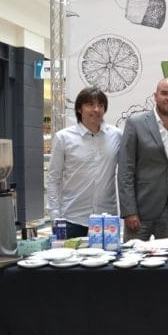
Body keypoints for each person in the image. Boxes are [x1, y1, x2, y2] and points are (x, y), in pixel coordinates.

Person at [118, 78, 168, 241]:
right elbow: (126, 170)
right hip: (140, 211)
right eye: (164, 93)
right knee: (133, 261)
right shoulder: (136, 123)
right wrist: (129, 210)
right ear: (155, 96)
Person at [47, 87, 121, 238]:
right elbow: (53, 178)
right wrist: (55, 214)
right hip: (72, 219)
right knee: (71, 261)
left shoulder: (117, 136)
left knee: (109, 261)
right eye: (90, 105)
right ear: (79, 109)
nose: (96, 109)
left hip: (107, 220)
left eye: (100, 105)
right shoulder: (63, 138)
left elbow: (129, 173)